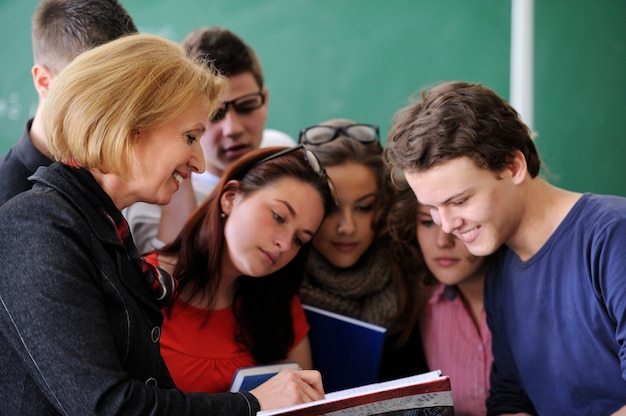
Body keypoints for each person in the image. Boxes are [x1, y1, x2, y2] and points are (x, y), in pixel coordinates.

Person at [0, 33, 324, 415]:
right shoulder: (36, 228)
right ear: (129, 124)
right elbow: (107, 407)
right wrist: (250, 404)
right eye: (190, 136)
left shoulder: (99, 227)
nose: (200, 163)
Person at [384, 80, 626, 416]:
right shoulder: (501, 272)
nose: (447, 225)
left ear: (513, 166)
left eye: (459, 201)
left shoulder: (613, 236)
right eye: (433, 209)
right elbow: (510, 401)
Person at [148, 145, 336, 393]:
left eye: (300, 239)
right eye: (278, 217)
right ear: (231, 198)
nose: (285, 243)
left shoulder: (279, 305)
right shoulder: (143, 283)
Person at [125, 26, 295, 254]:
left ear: (264, 99)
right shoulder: (155, 196)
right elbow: (168, 280)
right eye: (215, 114)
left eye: (247, 106)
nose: (232, 129)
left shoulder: (283, 151)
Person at [297, 119, 428, 381]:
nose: (347, 227)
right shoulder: (278, 280)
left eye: (364, 207)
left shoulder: (414, 268)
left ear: (383, 204)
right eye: (331, 208)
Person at [0, 0, 138, 206]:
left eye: (121, 91)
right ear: (44, 82)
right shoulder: (9, 198)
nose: (112, 108)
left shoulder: (114, 174)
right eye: (91, 87)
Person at [388, 184, 493, 416]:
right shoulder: (415, 305)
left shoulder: (532, 297)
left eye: (460, 221)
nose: (442, 241)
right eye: (428, 222)